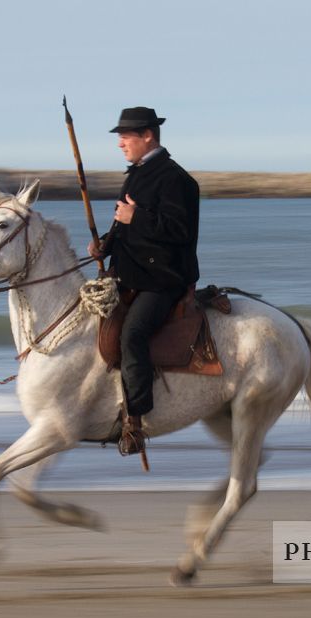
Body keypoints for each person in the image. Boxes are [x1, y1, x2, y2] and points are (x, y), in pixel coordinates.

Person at [88, 106, 200, 459]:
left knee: (132, 333)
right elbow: (126, 226)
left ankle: (135, 420)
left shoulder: (176, 179)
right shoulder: (136, 174)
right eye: (120, 137)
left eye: (126, 136)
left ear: (148, 135)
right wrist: (105, 243)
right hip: (130, 274)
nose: (120, 143)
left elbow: (179, 231)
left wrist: (137, 216)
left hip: (163, 279)